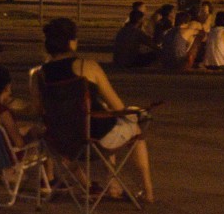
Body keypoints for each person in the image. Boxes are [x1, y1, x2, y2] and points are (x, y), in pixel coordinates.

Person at [29, 17, 154, 202]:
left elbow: (40, 110)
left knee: (104, 120)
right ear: (72, 42)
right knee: (133, 124)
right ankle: (147, 191)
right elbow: (118, 107)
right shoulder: (87, 66)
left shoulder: (38, 74)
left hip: (63, 143)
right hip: (96, 139)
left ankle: (111, 186)